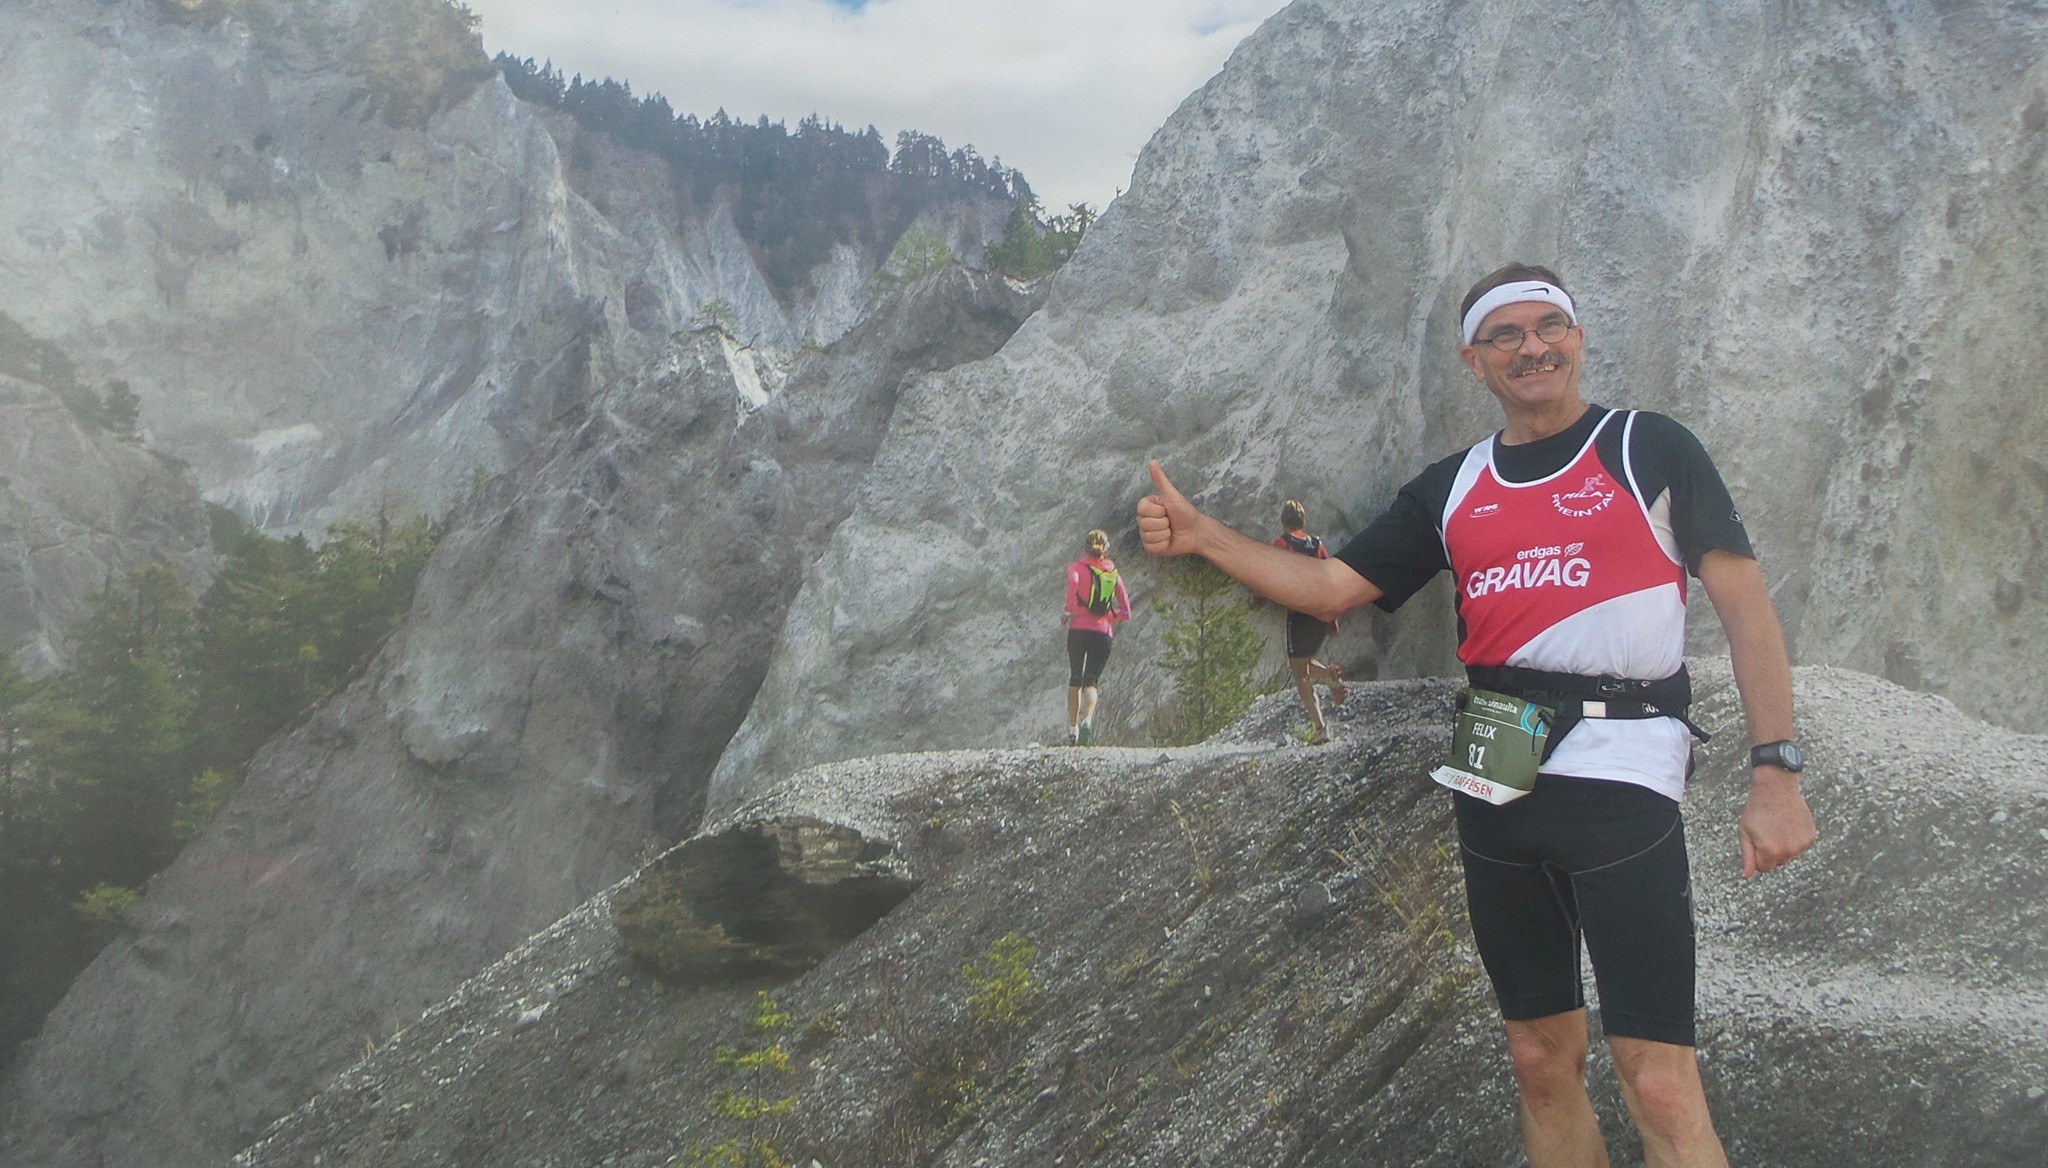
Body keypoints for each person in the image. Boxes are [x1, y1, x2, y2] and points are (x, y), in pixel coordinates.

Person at [1136, 263, 1817, 1168]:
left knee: (1655, 1072)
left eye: (1550, 327)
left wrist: (1776, 768)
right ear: (1475, 360)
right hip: (1495, 756)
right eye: (1508, 335)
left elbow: (1745, 605)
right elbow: (1335, 586)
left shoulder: (1648, 447)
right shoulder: (1453, 485)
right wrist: (1203, 536)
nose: (1533, 346)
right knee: (1539, 1058)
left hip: (1623, 754)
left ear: (1577, 339)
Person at [1272, 500, 1348, 744]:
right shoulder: (1317, 544)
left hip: (1298, 614)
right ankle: (1329, 677)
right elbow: (1329, 578)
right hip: (1319, 611)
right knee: (1305, 662)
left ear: (1284, 522)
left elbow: (1271, 575)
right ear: (1303, 521)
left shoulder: (1282, 544)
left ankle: (1320, 726)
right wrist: (1332, 615)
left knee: (1300, 673)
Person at [1063, 528, 1131, 746]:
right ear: (1106, 550)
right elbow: (1126, 612)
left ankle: (1072, 730)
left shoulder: (1076, 568)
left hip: (1078, 631)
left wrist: (1067, 611)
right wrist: (1111, 616)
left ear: (1086, 547)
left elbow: (1073, 587)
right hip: (1102, 633)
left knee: (1075, 679)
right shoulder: (1113, 574)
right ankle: (1087, 721)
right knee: (1091, 682)